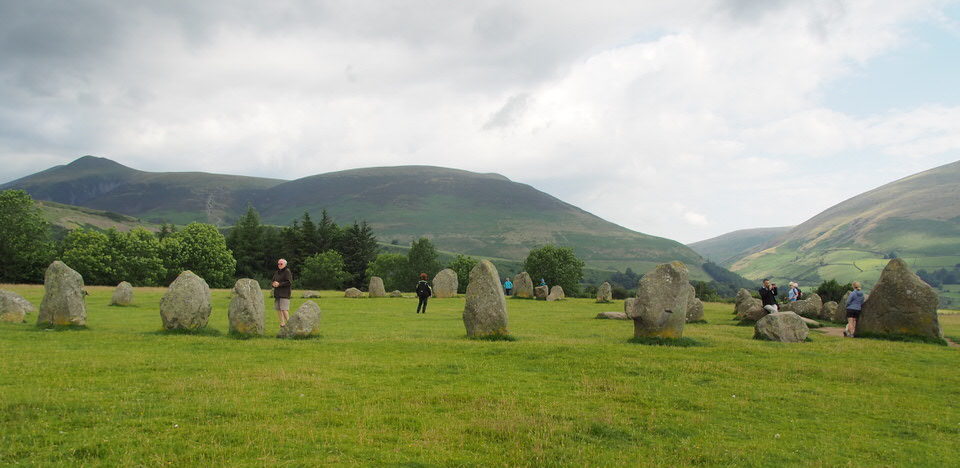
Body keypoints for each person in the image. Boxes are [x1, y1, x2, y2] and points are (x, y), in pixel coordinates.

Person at [271, 258, 293, 328]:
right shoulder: (277, 272)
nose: (279, 265)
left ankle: (289, 323)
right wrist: (273, 284)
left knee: (284, 309)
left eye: (281, 264)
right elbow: (273, 281)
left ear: (285, 264)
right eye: (278, 264)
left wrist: (279, 284)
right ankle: (282, 323)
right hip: (277, 294)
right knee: (278, 309)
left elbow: (289, 282)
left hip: (284, 294)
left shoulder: (287, 271)